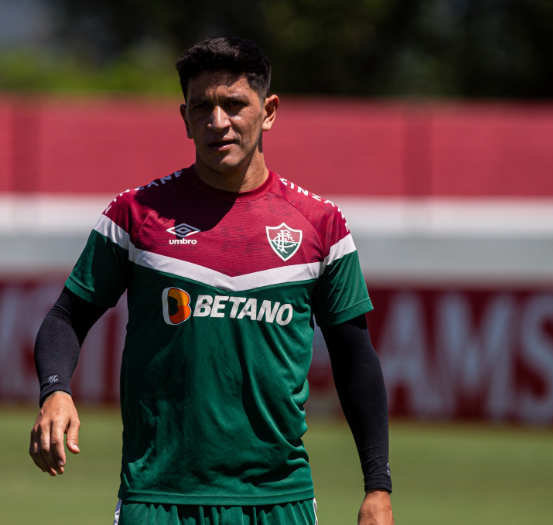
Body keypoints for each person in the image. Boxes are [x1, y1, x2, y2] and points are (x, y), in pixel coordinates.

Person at [29, 36, 394, 525]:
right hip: (157, 496)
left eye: (234, 105)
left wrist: (378, 487)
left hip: (276, 499)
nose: (217, 122)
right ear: (184, 118)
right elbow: (66, 318)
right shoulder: (135, 214)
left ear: (268, 111)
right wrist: (56, 390)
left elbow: (355, 360)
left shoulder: (320, 225)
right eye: (202, 107)